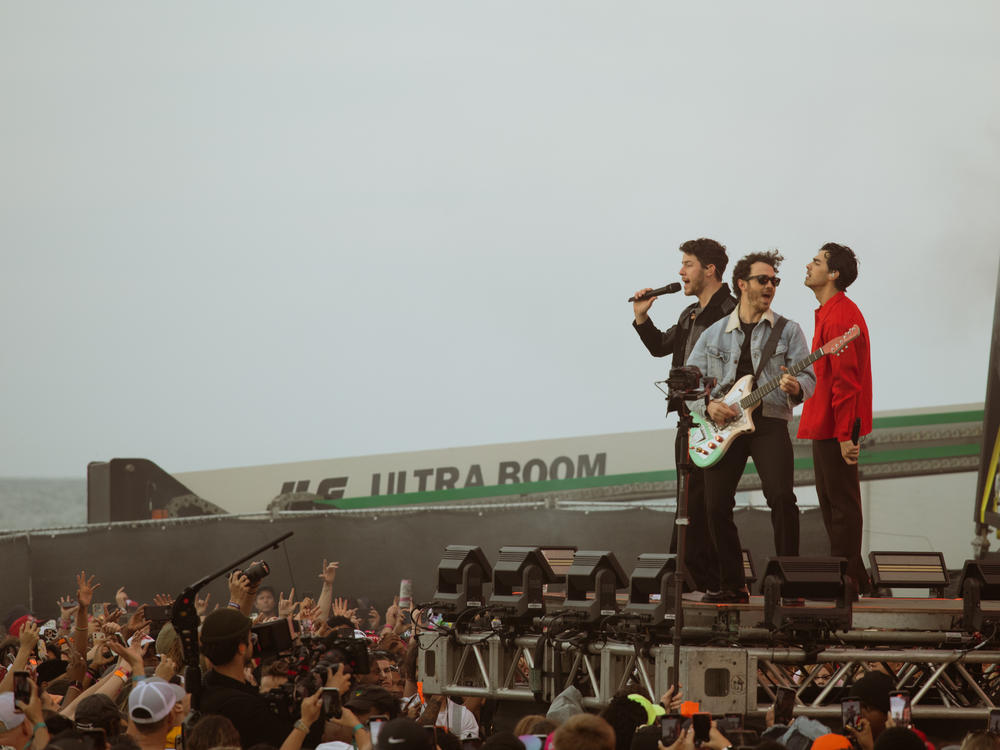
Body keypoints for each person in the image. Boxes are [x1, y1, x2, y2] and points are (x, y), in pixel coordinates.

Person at [686, 250, 816, 603]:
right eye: (763, 279)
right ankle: (732, 584)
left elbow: (808, 375)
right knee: (715, 505)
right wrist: (708, 405)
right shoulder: (714, 334)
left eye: (775, 280)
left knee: (782, 498)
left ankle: (789, 585)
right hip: (724, 426)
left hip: (769, 421)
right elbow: (687, 383)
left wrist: (796, 386)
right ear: (742, 284)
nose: (770, 286)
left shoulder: (788, 331)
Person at [633, 238, 737, 594]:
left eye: (688, 264)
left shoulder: (732, 312)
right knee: (687, 502)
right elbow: (661, 346)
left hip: (718, 419)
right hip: (688, 418)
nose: (680, 272)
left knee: (706, 504)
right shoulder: (689, 314)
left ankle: (707, 582)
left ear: (710, 269)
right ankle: (685, 581)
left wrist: (712, 401)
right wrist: (642, 317)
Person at [798, 243, 873, 594]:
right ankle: (854, 579)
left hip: (836, 427)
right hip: (824, 423)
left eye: (816, 262)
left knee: (841, 505)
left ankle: (847, 582)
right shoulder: (828, 312)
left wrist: (847, 434)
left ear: (834, 274)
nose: (808, 266)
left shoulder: (842, 315)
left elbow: (847, 380)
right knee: (831, 504)